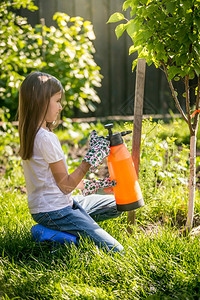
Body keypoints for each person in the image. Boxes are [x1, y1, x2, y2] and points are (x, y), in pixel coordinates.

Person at [18, 71, 123, 253]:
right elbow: (66, 186)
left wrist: (96, 185)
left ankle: (65, 228)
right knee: (115, 250)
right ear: (41, 102)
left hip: (52, 206)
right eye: (57, 101)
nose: (60, 107)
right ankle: (52, 234)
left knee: (118, 204)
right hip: (55, 212)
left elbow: (60, 182)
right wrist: (88, 160)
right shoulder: (46, 139)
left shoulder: (32, 133)